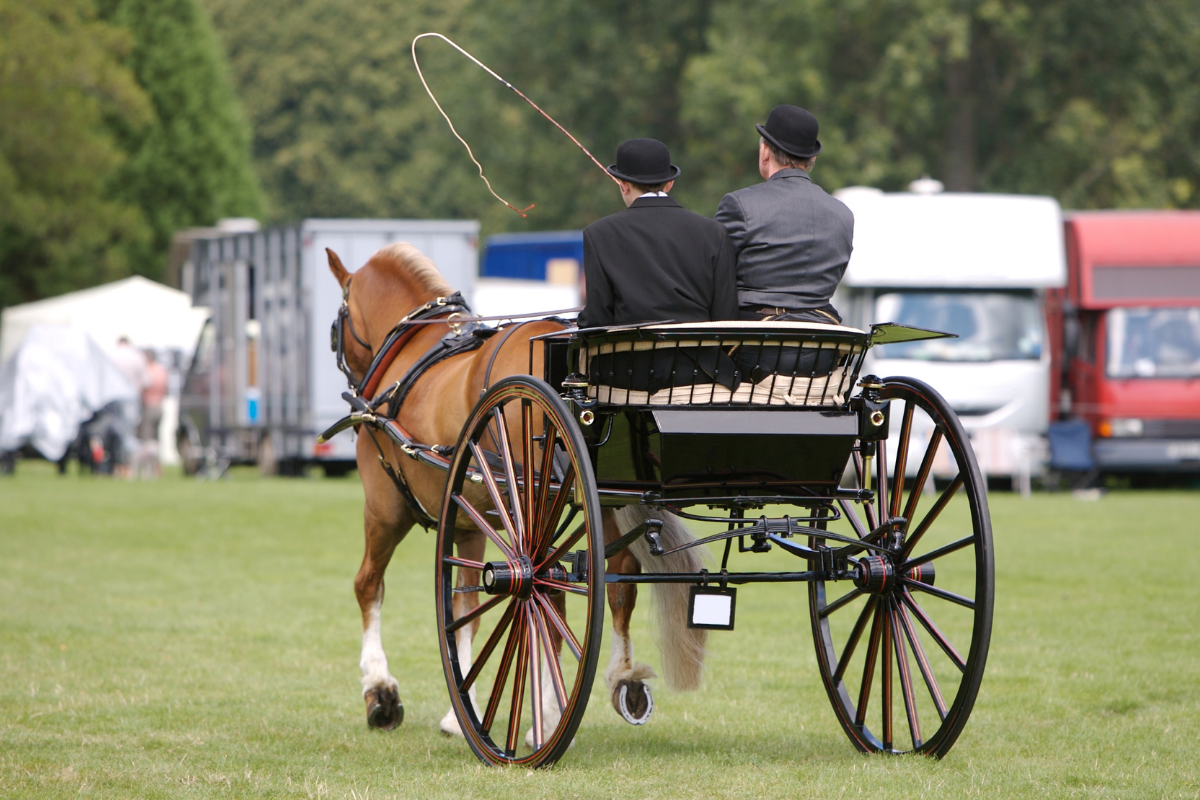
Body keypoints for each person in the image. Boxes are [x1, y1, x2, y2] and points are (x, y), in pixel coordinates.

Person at [579, 138, 739, 392]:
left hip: (629, 376)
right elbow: (726, 316)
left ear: (622, 184)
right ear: (670, 183)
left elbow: (597, 321)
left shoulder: (599, 234)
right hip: (702, 374)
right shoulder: (714, 233)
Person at [715, 104, 854, 325]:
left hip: (754, 342)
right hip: (821, 341)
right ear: (812, 159)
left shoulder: (740, 205)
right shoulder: (843, 214)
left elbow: (713, 274)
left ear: (765, 152)